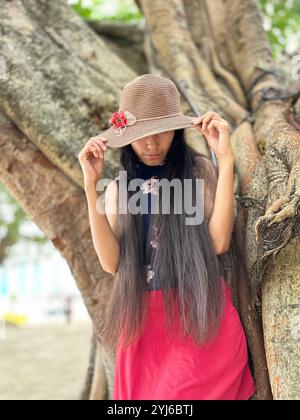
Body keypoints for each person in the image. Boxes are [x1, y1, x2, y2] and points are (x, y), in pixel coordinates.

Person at [77, 74, 256, 400]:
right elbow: (110, 262)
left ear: (176, 130)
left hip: (199, 317)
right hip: (142, 325)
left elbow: (218, 242)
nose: (151, 143)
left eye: (161, 132)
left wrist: (226, 159)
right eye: (141, 135)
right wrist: (91, 187)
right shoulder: (119, 188)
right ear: (126, 136)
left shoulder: (198, 171)